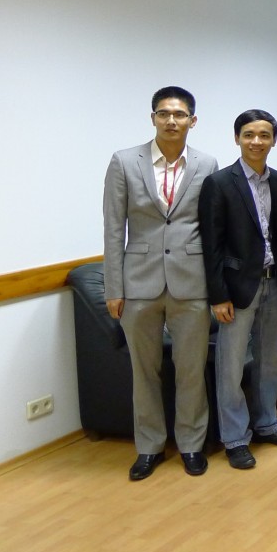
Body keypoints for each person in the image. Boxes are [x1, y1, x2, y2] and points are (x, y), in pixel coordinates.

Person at [102, 86, 217, 480]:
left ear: (192, 121)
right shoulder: (124, 161)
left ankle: (191, 445)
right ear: (153, 118)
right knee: (144, 372)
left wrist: (216, 287)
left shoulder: (206, 164)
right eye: (164, 113)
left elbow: (212, 227)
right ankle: (149, 447)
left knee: (191, 370)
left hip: (192, 282)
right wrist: (114, 288)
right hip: (139, 284)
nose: (171, 120)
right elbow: (114, 228)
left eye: (179, 114)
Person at [199, 109, 277, 470]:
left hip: (275, 282)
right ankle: (235, 438)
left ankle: (267, 423)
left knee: (270, 361)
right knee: (230, 367)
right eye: (249, 135)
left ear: (273, 140)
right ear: (237, 139)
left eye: (264, 135)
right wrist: (218, 295)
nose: (256, 142)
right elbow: (211, 245)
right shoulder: (219, 183)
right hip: (236, 289)